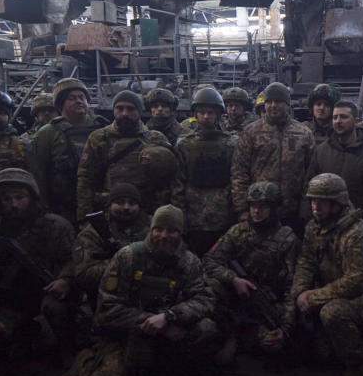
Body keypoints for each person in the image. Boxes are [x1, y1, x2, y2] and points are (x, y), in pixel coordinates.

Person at [59, 205, 218, 376]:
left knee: (206, 329)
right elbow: (107, 310)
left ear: (181, 233)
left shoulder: (189, 262)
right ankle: (85, 364)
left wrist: (170, 316)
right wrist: (150, 321)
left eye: (172, 230)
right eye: (159, 229)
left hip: (161, 336)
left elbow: (206, 299)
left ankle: (162, 372)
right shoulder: (127, 257)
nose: (164, 235)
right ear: (151, 230)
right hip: (121, 337)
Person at [0, 168, 76, 361]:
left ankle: (69, 348)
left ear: (32, 197)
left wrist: (66, 279)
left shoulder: (56, 226)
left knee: (56, 308)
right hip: (11, 298)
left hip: (48, 291)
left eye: (20, 197)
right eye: (6, 199)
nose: (14, 204)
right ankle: (25, 331)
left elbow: (75, 259)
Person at [288, 173, 363, 376]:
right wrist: (300, 293)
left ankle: (358, 365)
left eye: (322, 201)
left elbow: (356, 282)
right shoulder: (314, 228)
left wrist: (314, 297)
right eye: (313, 200)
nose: (315, 206)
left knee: (332, 313)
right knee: (318, 354)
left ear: (337, 203)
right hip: (330, 289)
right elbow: (306, 262)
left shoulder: (357, 233)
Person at [204, 181, 300, 362]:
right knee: (211, 287)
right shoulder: (237, 232)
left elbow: (292, 286)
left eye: (262, 206)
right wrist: (234, 279)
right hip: (235, 297)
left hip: (266, 302)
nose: (256, 211)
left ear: (274, 208)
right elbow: (210, 260)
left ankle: (244, 337)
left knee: (273, 345)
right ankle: (230, 334)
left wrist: (285, 325)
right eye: (253, 206)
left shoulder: (287, 239)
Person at [76, 90, 177, 223]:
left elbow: (169, 180)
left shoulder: (155, 138)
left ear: (139, 111)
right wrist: (84, 217)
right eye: (120, 108)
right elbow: (85, 179)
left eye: (131, 109)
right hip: (108, 212)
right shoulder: (99, 138)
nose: (125, 113)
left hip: (145, 214)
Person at [231, 82, 316, 230]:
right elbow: (239, 172)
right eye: (269, 102)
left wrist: (306, 207)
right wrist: (242, 209)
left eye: (278, 101)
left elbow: (311, 173)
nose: (273, 105)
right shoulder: (251, 132)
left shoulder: (303, 133)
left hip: (293, 211)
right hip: (260, 210)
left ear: (287, 104)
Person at [28, 78, 108, 224]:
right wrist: (44, 211)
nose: (78, 101)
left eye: (81, 97)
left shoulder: (102, 129)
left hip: (100, 205)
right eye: (71, 98)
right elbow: (38, 174)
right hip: (63, 211)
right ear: (60, 104)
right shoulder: (47, 134)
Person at [305, 100, 363, 232]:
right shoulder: (321, 151)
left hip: (358, 227)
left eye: (344, 117)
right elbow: (308, 186)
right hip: (325, 226)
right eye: (335, 117)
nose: (338, 121)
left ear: (356, 121)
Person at [173, 86, 236, 254]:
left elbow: (236, 179)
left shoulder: (231, 144)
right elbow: (178, 183)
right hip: (194, 216)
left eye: (210, 112)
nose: (206, 117)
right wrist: (181, 216)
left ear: (218, 115)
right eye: (202, 112)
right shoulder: (184, 144)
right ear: (196, 114)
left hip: (223, 215)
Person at [72, 183, 149, 312]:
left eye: (132, 203)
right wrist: (121, 264)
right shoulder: (93, 232)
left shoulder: (152, 229)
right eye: (120, 202)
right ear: (109, 205)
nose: (126, 207)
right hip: (107, 299)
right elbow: (84, 275)